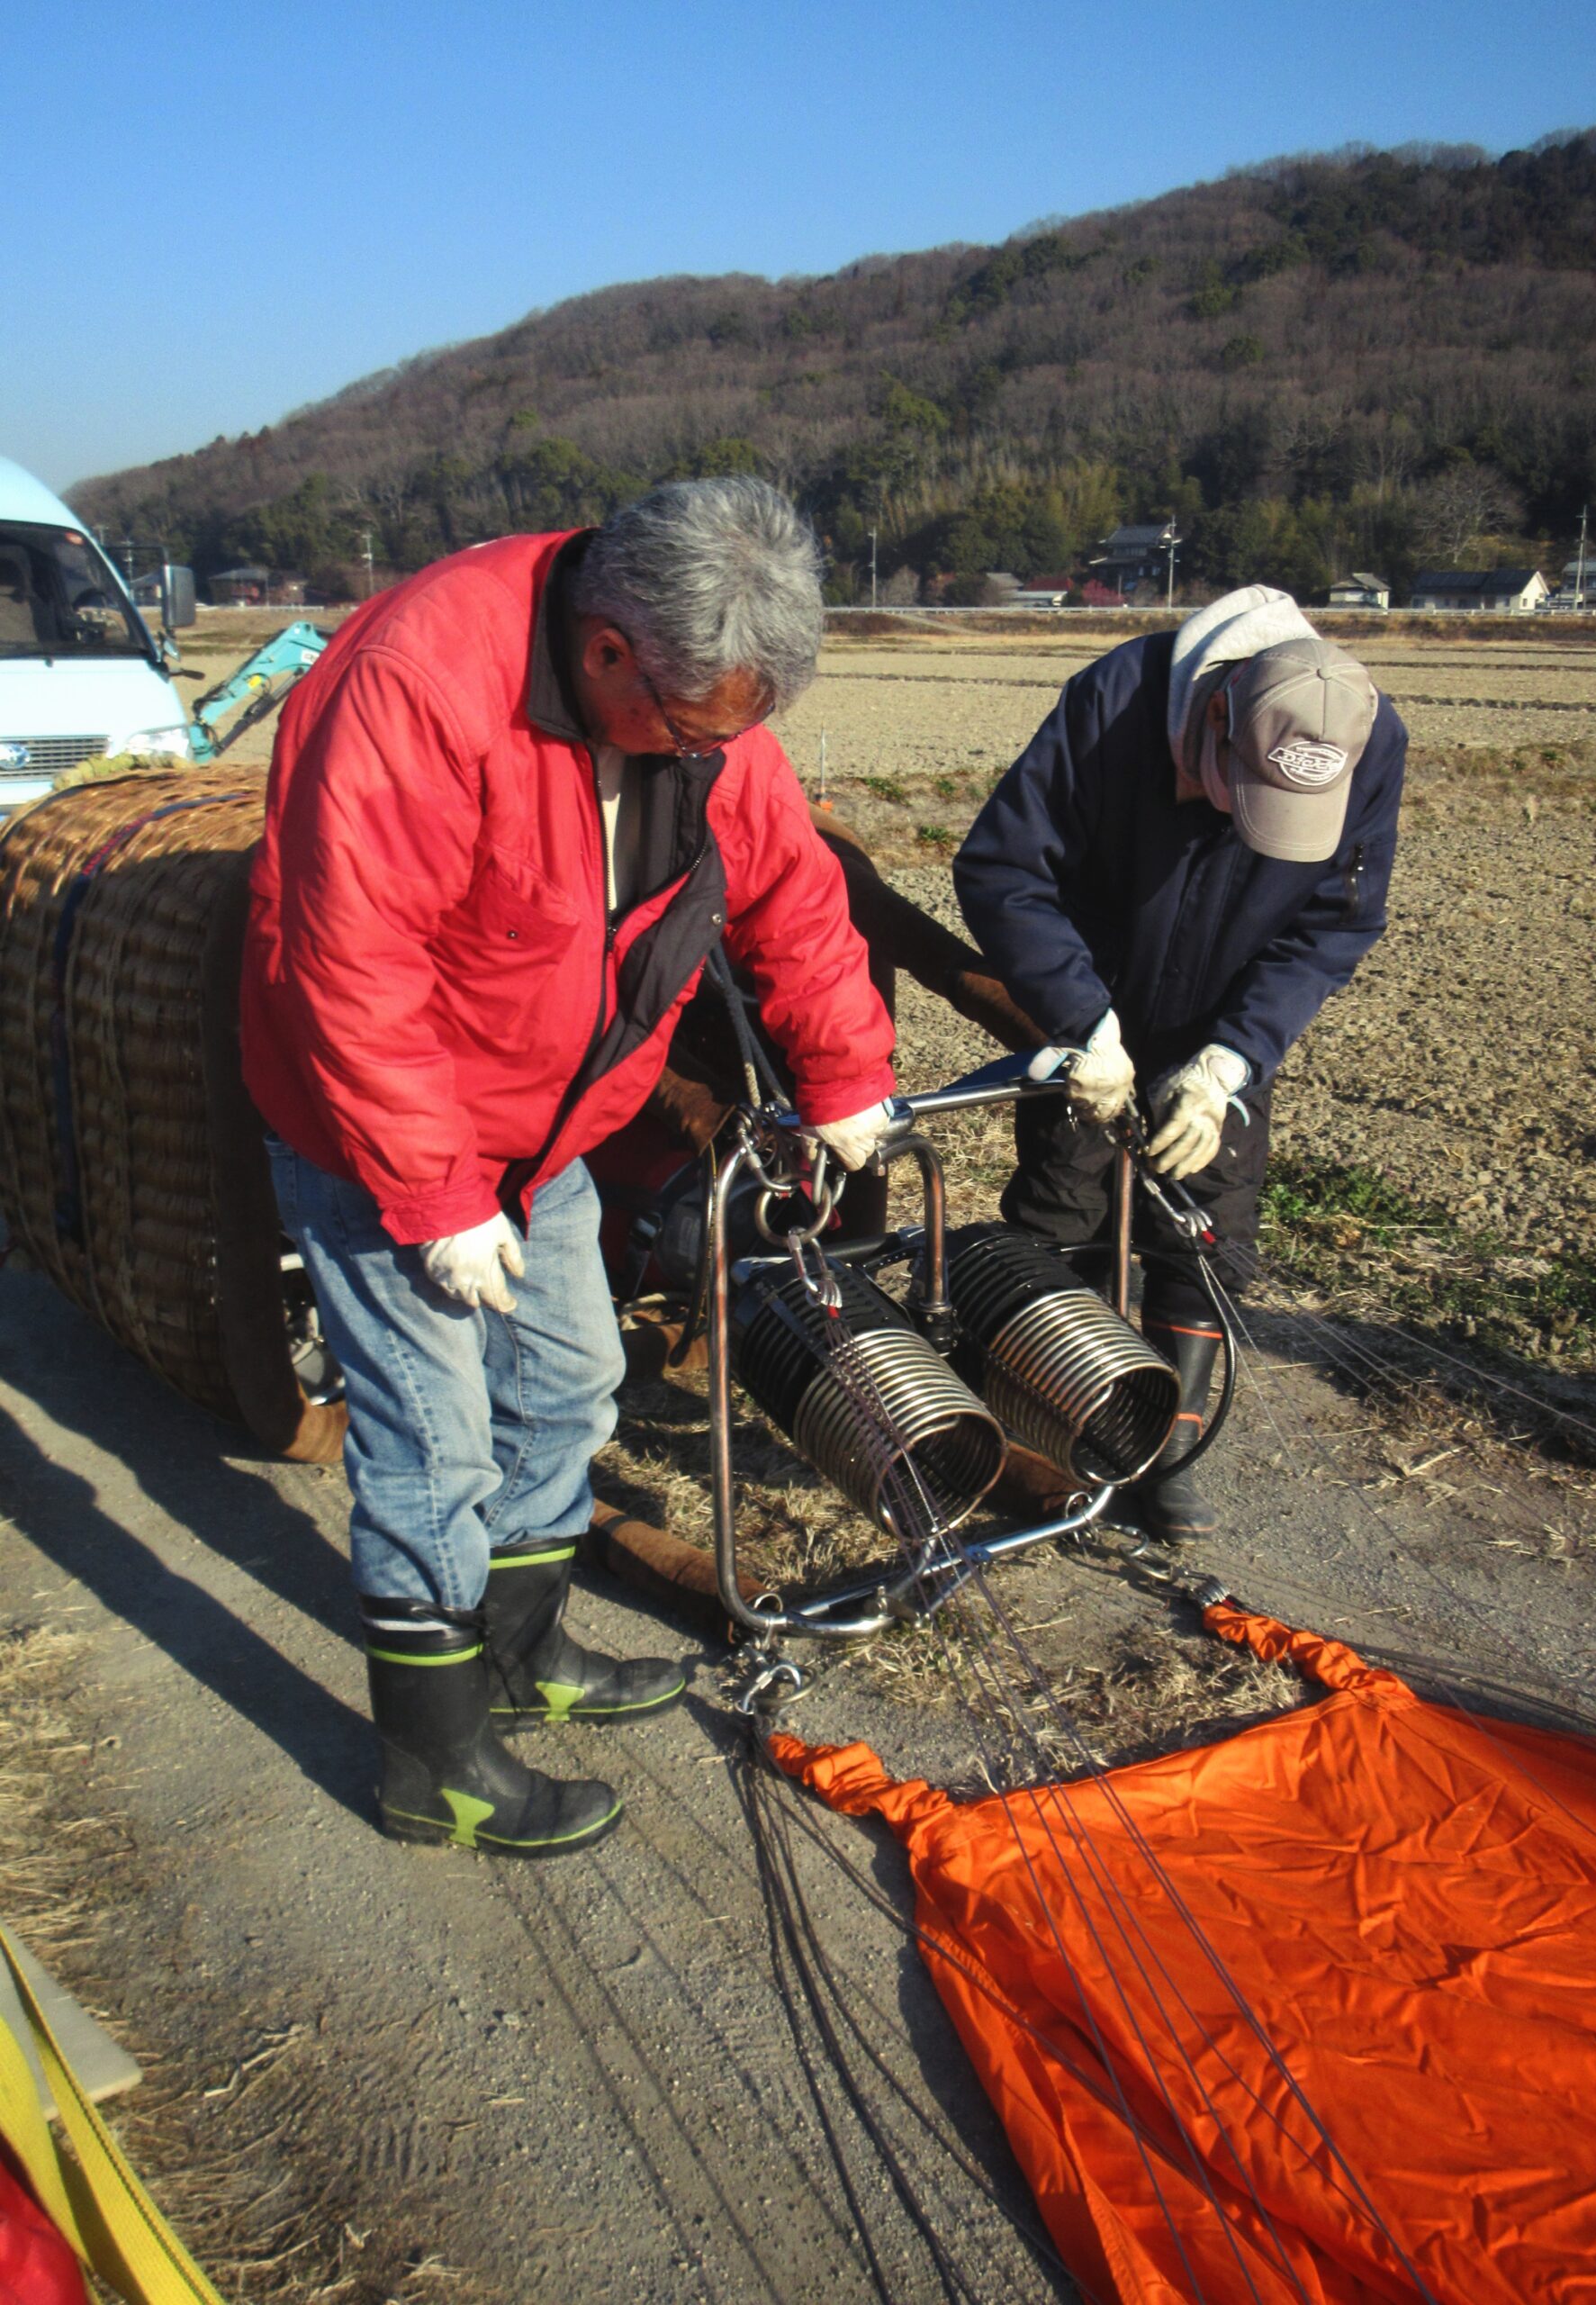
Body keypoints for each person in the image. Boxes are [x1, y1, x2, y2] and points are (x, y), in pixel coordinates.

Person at [242, 479, 897, 1858]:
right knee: (433, 1439)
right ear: (607, 653)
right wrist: (434, 1194)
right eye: (697, 732)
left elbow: (789, 888)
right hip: (380, 1130)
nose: (718, 758)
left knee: (569, 1377)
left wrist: (845, 1075)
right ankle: (433, 1766)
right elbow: (352, 965)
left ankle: (521, 1647)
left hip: (545, 1129)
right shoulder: (420, 685)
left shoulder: (699, 708)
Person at [953, 585, 1405, 1542]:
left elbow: (1335, 923)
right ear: (1213, 717)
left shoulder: (1368, 742)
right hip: (1093, 998)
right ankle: (1051, 1435)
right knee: (1062, 1210)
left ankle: (1163, 1451)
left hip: (1221, 1020)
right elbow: (1003, 867)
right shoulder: (1115, 701)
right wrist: (1083, 1021)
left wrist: (1232, 1059)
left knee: (1207, 1229)